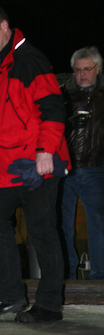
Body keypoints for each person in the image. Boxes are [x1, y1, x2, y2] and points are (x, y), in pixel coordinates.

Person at [0, 4, 70, 322]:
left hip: (37, 164)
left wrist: (45, 152)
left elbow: (53, 108)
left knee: (41, 231)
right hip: (8, 167)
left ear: (4, 26)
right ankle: (10, 295)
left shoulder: (29, 60)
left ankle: (49, 305)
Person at [60, 46, 104, 279]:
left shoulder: (102, 97)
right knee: (63, 225)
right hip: (65, 169)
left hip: (94, 167)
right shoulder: (62, 95)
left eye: (87, 69)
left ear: (98, 69)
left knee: (98, 223)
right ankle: (68, 275)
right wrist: (68, 123)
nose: (82, 74)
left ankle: (99, 278)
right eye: (77, 70)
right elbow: (46, 126)